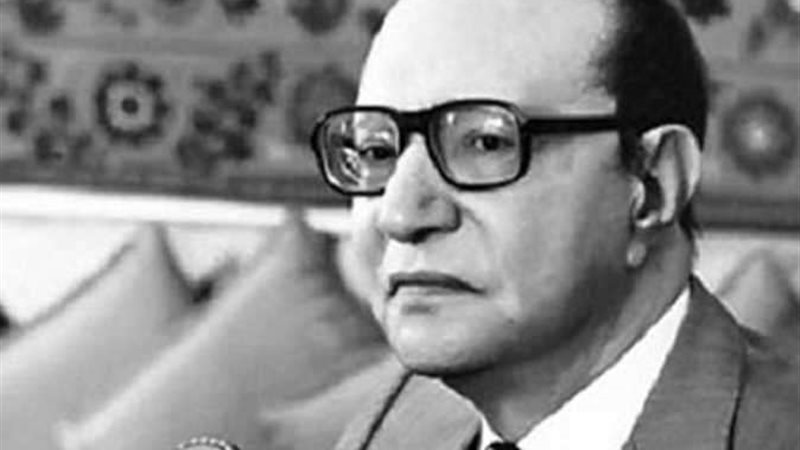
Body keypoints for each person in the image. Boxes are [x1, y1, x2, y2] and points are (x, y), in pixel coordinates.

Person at [309, 0, 800, 448]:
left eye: (486, 142)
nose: (398, 215)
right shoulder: (398, 425)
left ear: (653, 184)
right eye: (376, 149)